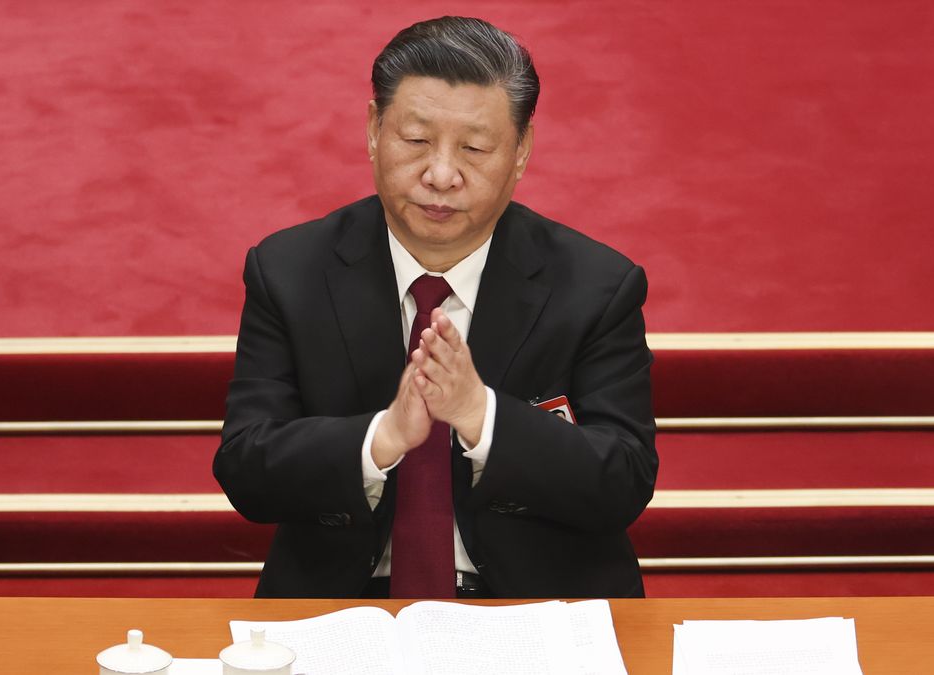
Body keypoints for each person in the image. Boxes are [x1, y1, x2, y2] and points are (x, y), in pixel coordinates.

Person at [214, 16, 657, 599]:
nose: (442, 175)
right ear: (374, 130)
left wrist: (481, 416)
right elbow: (246, 468)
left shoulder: (596, 286)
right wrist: (380, 438)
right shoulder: (289, 272)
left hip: (535, 605)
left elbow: (624, 480)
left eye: (474, 148)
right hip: (346, 604)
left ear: (521, 150)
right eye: (417, 141)